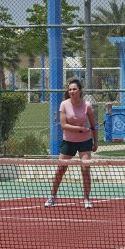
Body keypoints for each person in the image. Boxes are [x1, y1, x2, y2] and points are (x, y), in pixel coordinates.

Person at [44, 78, 98, 209]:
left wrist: (95, 142)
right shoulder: (64, 104)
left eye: (74, 89)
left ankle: (86, 199)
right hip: (68, 141)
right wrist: (80, 128)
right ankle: (52, 196)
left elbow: (93, 125)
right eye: (70, 89)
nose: (72, 91)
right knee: (61, 169)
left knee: (85, 169)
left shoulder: (87, 106)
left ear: (80, 90)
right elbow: (64, 125)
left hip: (85, 142)